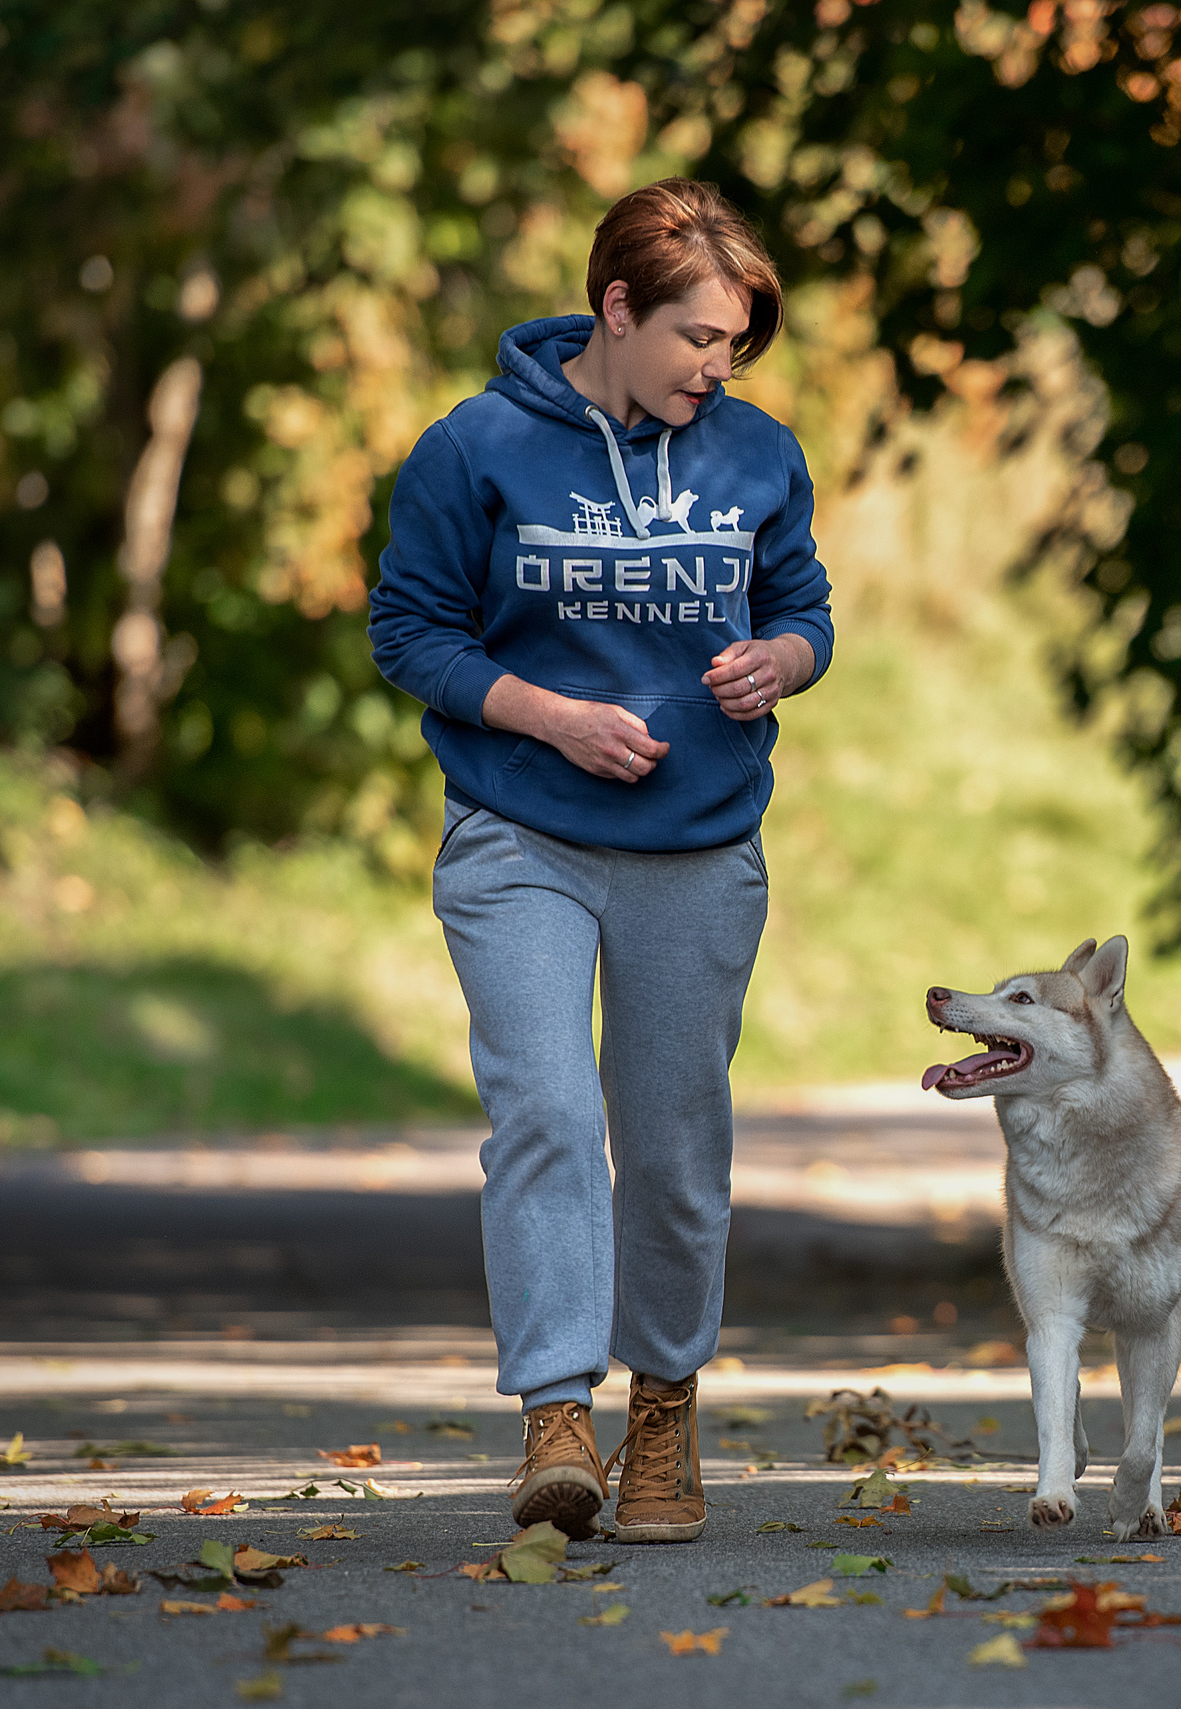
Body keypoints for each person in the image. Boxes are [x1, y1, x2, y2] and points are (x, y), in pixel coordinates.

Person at [366, 179, 831, 1544]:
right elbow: (413, 633)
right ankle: (558, 1415)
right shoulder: (477, 447)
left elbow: (803, 605)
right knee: (549, 1113)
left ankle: (666, 1407)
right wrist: (550, 716)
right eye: (697, 337)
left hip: (696, 849)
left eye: (735, 344)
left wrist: (779, 660)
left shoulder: (758, 456)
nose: (718, 366)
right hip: (520, 834)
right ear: (613, 309)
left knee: (678, 1149)